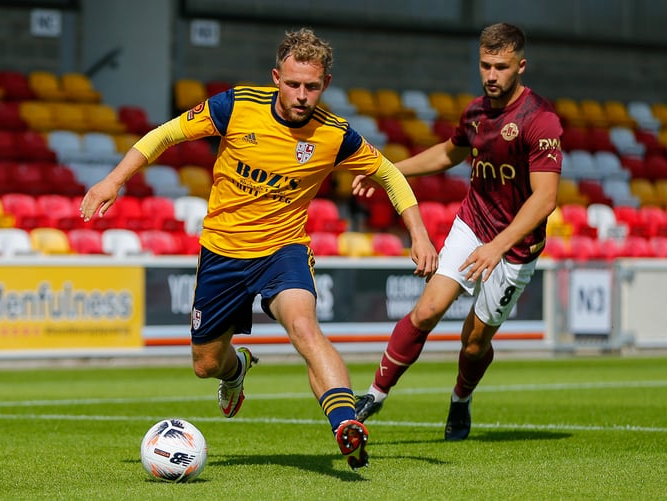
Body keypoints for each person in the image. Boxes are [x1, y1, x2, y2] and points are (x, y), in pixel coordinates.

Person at [78, 27, 438, 470]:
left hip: (283, 251)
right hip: (223, 253)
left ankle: (346, 424)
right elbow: (165, 135)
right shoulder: (235, 106)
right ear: (276, 78)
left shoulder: (335, 135)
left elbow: (389, 174)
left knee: (304, 328)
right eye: (292, 83)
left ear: (325, 85)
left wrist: (418, 233)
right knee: (205, 364)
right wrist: (115, 179)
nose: (301, 94)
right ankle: (236, 371)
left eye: (311, 86)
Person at [352, 22, 562, 441]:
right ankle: (374, 394)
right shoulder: (476, 111)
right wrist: (386, 172)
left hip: (516, 246)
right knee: (428, 310)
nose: (491, 75)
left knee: (473, 343)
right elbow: (450, 153)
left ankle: (461, 400)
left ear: (520, 66)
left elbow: (544, 200)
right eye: (485, 65)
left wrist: (497, 248)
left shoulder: (542, 121)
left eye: (500, 67)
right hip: (473, 222)